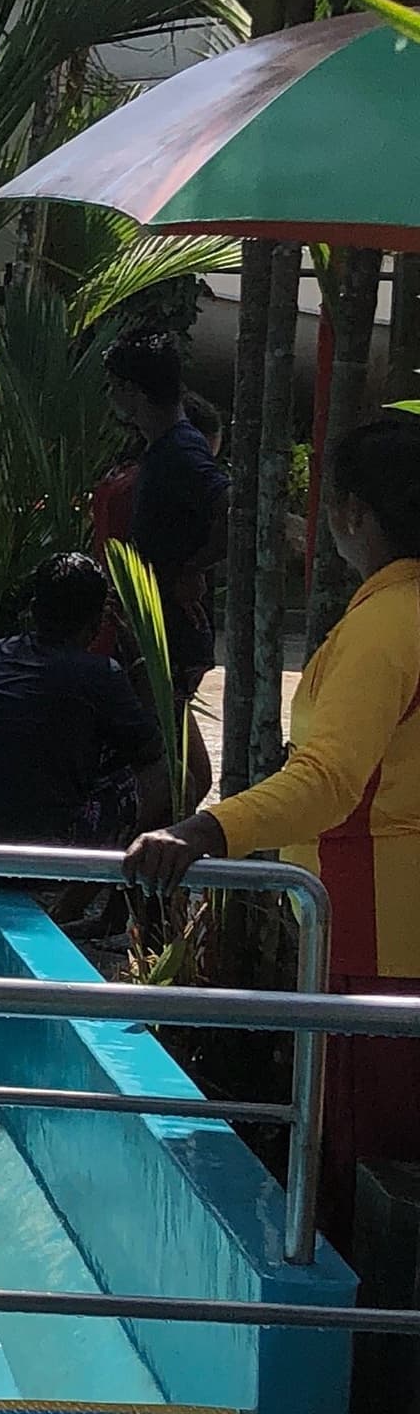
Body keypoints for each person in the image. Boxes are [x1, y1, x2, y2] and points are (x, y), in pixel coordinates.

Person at [125, 414, 420, 1251]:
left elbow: (328, 780)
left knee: (361, 1178)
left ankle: (361, 1368)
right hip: (386, 942)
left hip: (374, 950)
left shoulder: (385, 627)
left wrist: (207, 828)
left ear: (355, 514)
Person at [0, 554, 168, 850]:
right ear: (97, 623)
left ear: (33, 610)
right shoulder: (99, 674)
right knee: (172, 777)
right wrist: (138, 659)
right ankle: (81, 897)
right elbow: (152, 749)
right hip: (43, 850)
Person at [104, 333, 228, 807]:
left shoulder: (181, 450)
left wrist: (192, 567)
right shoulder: (166, 448)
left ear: (132, 391)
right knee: (182, 767)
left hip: (168, 640)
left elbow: (230, 505)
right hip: (157, 636)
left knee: (173, 773)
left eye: (114, 386)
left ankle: (132, 865)